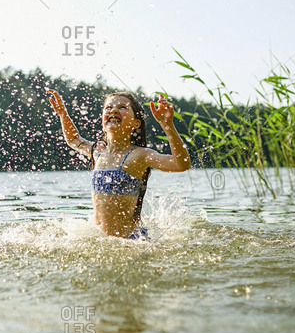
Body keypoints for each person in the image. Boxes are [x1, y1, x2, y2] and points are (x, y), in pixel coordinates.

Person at [46, 89, 191, 240]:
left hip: (132, 240)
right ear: (102, 120)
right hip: (104, 240)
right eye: (108, 107)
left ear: (136, 123)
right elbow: (74, 140)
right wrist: (63, 114)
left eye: (122, 107)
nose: (114, 110)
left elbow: (181, 164)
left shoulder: (140, 155)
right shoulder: (98, 152)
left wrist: (167, 124)